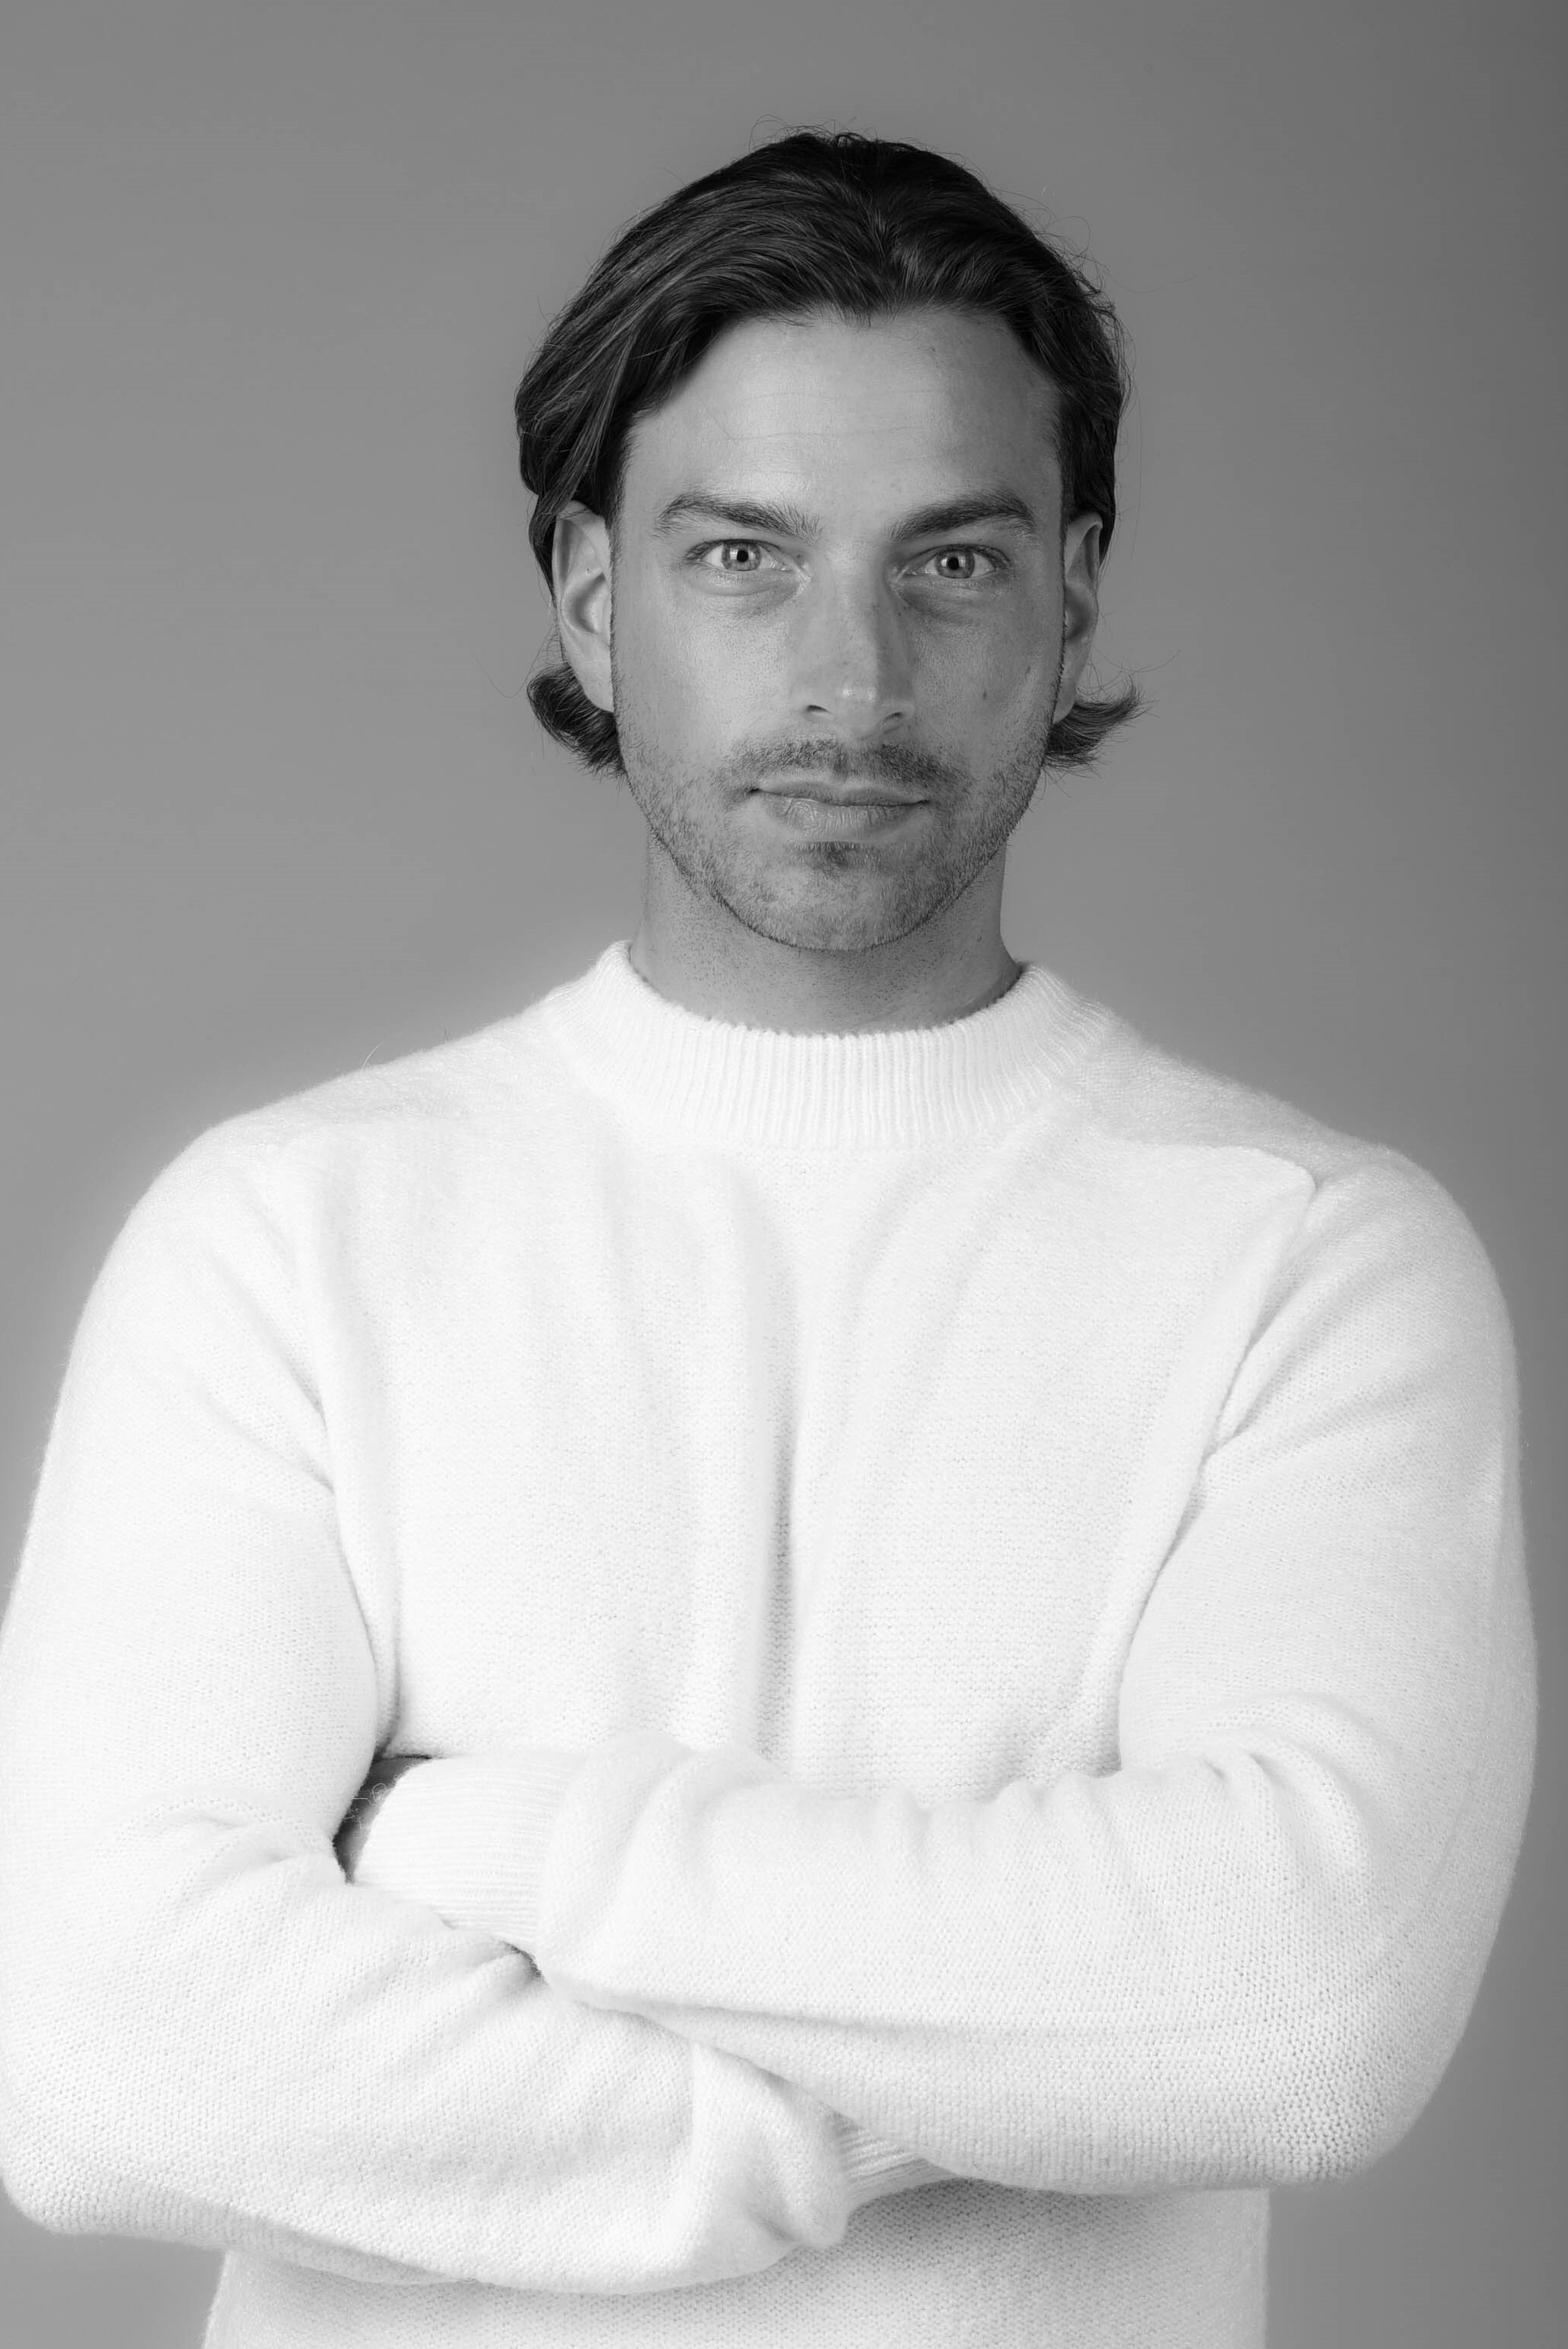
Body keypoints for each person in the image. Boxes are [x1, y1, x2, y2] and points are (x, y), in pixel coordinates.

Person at [0, 126, 1537, 2349]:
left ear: (1074, 593)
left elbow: (1295, 2006)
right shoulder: (282, 1239)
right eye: (741, 555)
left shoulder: (1312, 1266)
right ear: (589, 595)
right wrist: (963, 2078)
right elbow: (99, 2061)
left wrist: (474, 1849)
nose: (852, 677)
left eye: (952, 561)